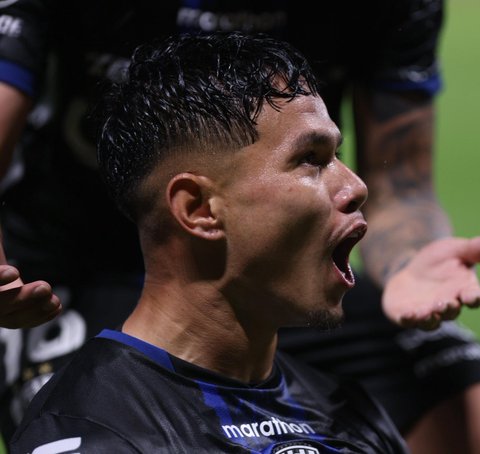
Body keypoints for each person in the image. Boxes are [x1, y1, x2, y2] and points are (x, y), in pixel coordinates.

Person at [0, 1, 480, 452]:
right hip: (59, 280)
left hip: (286, 259)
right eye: (317, 158)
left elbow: (401, 188)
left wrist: (411, 261)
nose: (355, 185)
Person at [10, 31, 410, 453]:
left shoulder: (349, 411)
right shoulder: (93, 431)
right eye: (311, 159)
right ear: (199, 208)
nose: (356, 186)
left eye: (337, 156)